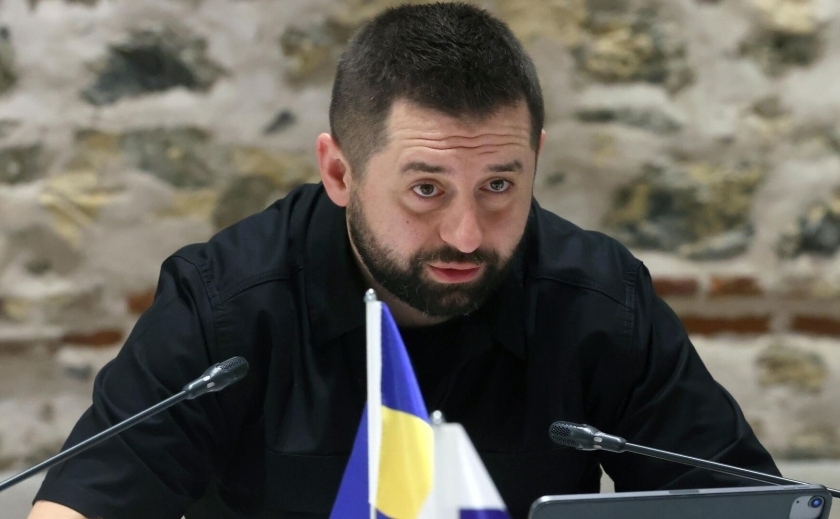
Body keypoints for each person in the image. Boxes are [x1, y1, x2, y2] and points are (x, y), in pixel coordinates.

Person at [28, 3, 779, 519]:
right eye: (426, 189)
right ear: (339, 172)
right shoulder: (225, 305)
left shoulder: (598, 300)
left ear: (536, 158)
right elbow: (81, 504)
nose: (466, 233)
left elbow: (741, 505)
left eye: (499, 185)